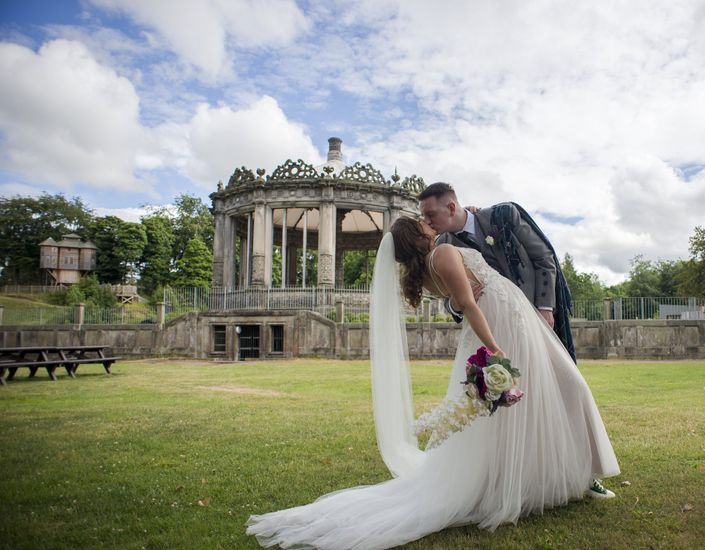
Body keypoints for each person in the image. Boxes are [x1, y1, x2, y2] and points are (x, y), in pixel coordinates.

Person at [246, 217, 620, 550]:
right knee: (552, 390)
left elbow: (462, 298)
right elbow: (467, 304)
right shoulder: (441, 254)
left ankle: (541, 476)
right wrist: (496, 350)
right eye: (423, 221)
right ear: (419, 235)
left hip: (508, 320)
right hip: (500, 328)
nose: (429, 222)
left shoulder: (428, 266)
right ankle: (549, 478)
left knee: (523, 403)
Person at [417, 182, 577, 362]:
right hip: (494, 331)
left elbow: (543, 257)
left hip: (535, 315)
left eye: (431, 214)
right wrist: (455, 304)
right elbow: (447, 298)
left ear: (452, 207)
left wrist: (545, 308)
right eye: (423, 216)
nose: (426, 221)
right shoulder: (442, 248)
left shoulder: (503, 216)